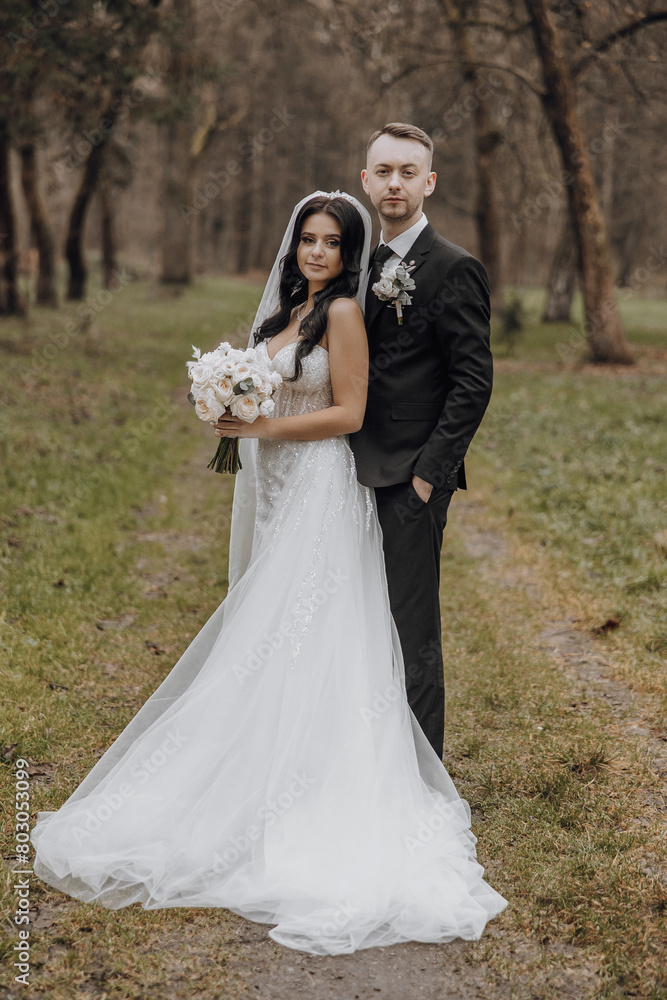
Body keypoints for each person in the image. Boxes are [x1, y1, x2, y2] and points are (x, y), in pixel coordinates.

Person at [30, 192, 506, 956]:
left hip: (320, 487)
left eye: (330, 244)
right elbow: (265, 383)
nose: (316, 252)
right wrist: (223, 393)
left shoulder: (344, 317)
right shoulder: (283, 315)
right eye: (308, 240)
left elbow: (349, 412)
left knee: (308, 624)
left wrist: (264, 424)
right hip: (279, 485)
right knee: (267, 622)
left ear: (349, 255)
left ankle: (314, 782)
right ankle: (255, 768)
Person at [349, 124, 494, 759]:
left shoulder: (455, 269)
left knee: (412, 630)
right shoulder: (355, 265)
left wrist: (429, 475)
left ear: (428, 182)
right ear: (366, 180)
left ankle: (420, 771)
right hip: (345, 470)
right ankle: (361, 754)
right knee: (350, 616)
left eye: (408, 172)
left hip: (412, 478)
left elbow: (472, 383)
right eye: (384, 171)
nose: (395, 183)